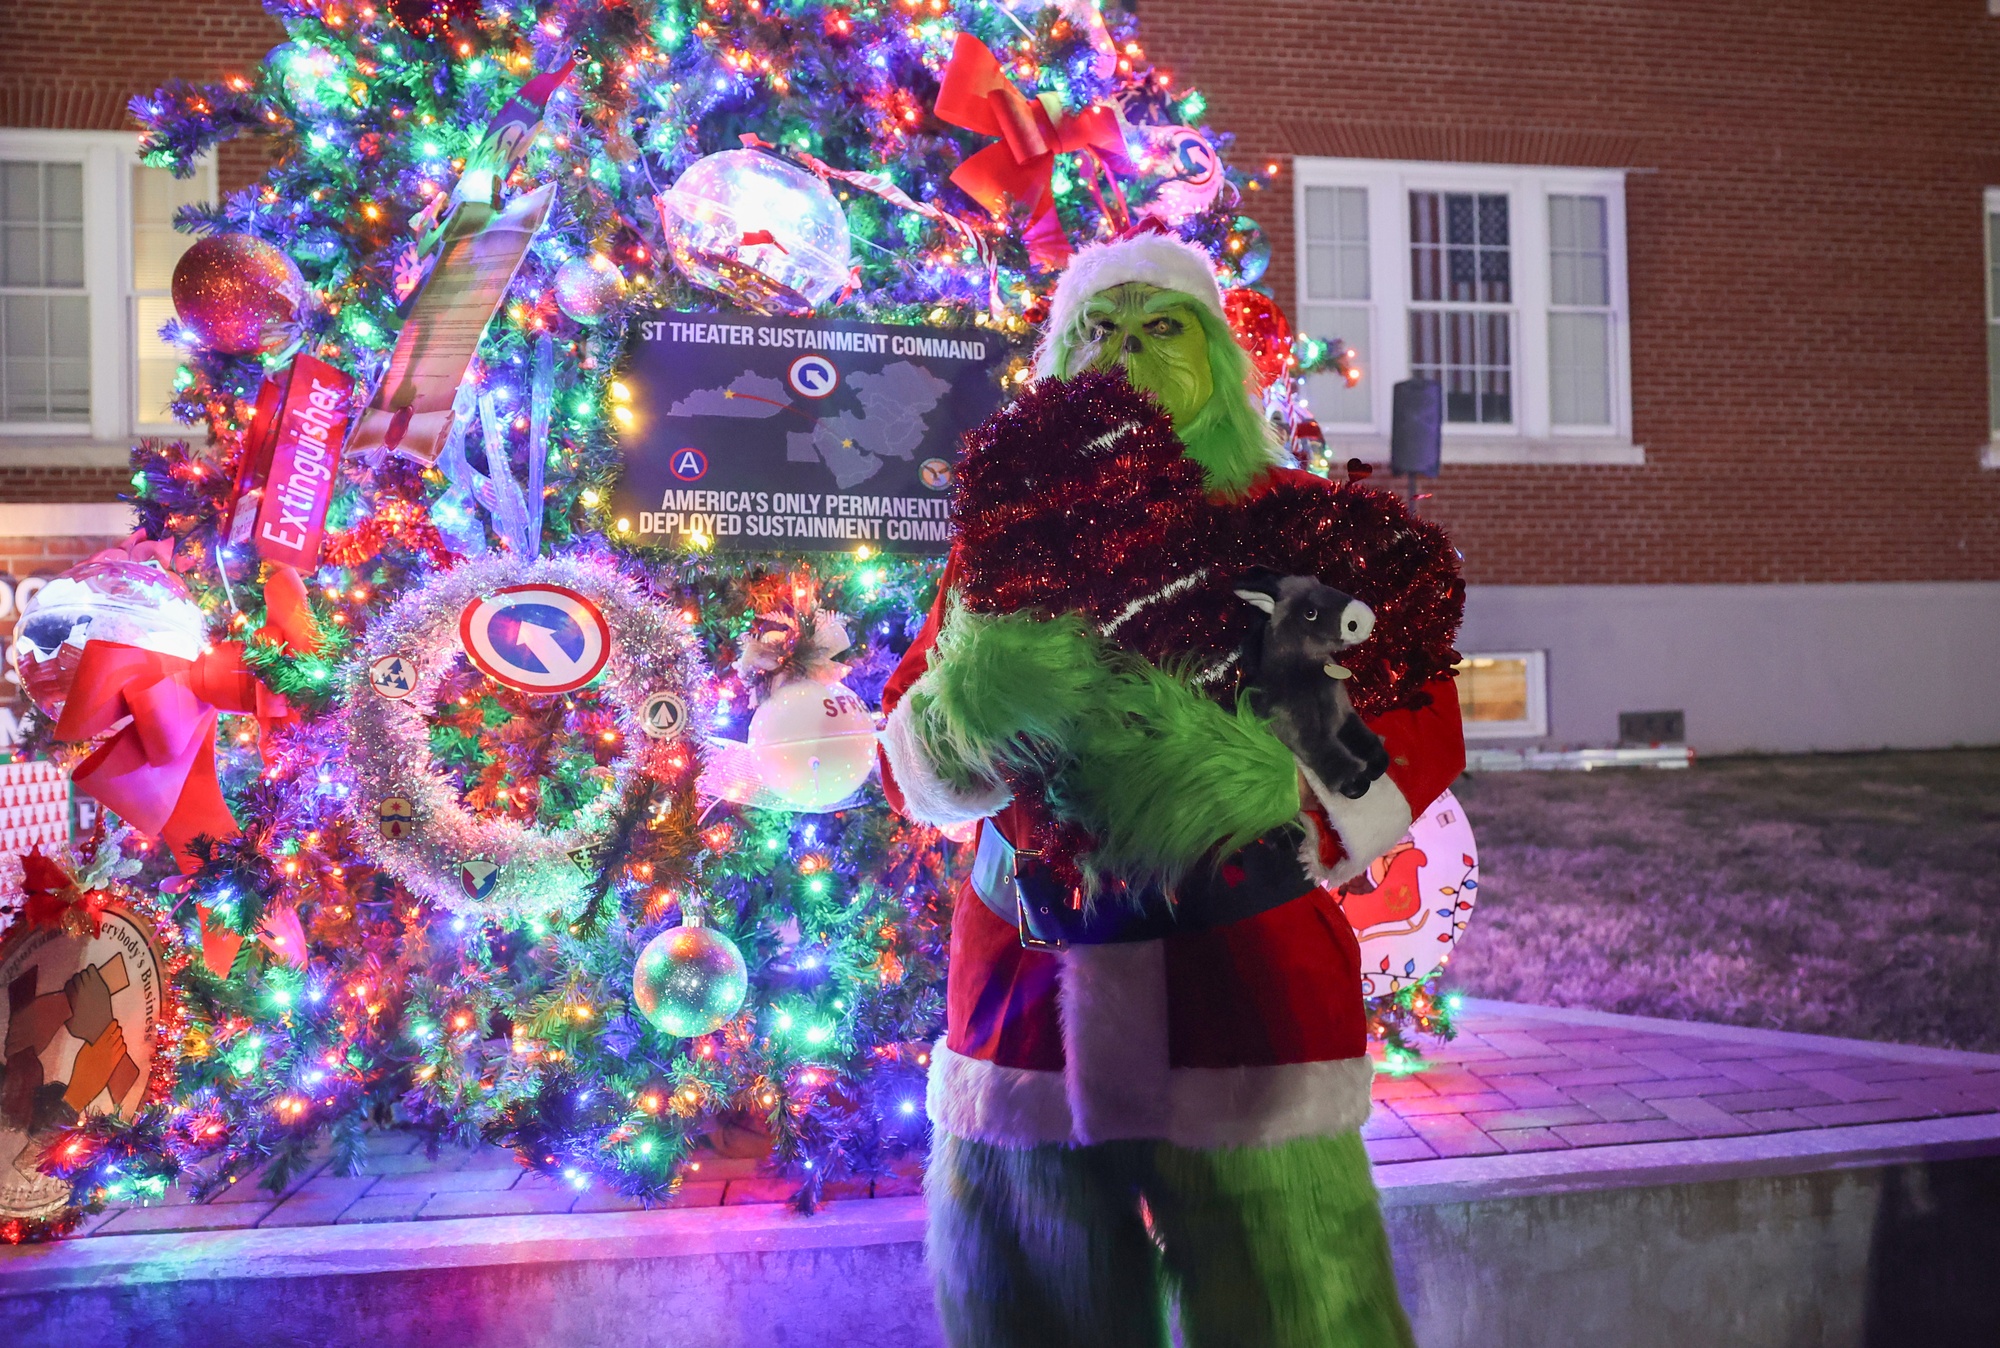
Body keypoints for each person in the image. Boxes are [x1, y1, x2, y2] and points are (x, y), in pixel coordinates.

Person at [877, 230, 1466, 1348]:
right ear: (1060, 361)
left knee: (1296, 1296)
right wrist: (980, 714)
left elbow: (1417, 712)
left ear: (1216, 360)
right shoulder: (999, 540)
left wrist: (1253, 785)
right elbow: (914, 736)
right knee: (1033, 1298)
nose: (1128, 352)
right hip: (1025, 985)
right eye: (1098, 329)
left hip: (1241, 972)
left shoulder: (1295, 519)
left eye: (1163, 328)